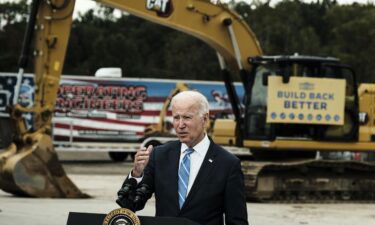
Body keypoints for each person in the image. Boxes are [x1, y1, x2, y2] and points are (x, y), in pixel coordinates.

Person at [120, 90, 248, 225]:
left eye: (187, 117)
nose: (180, 125)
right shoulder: (159, 156)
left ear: (205, 119)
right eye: (176, 118)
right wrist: (136, 174)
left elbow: (237, 221)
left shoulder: (228, 164)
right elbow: (129, 205)